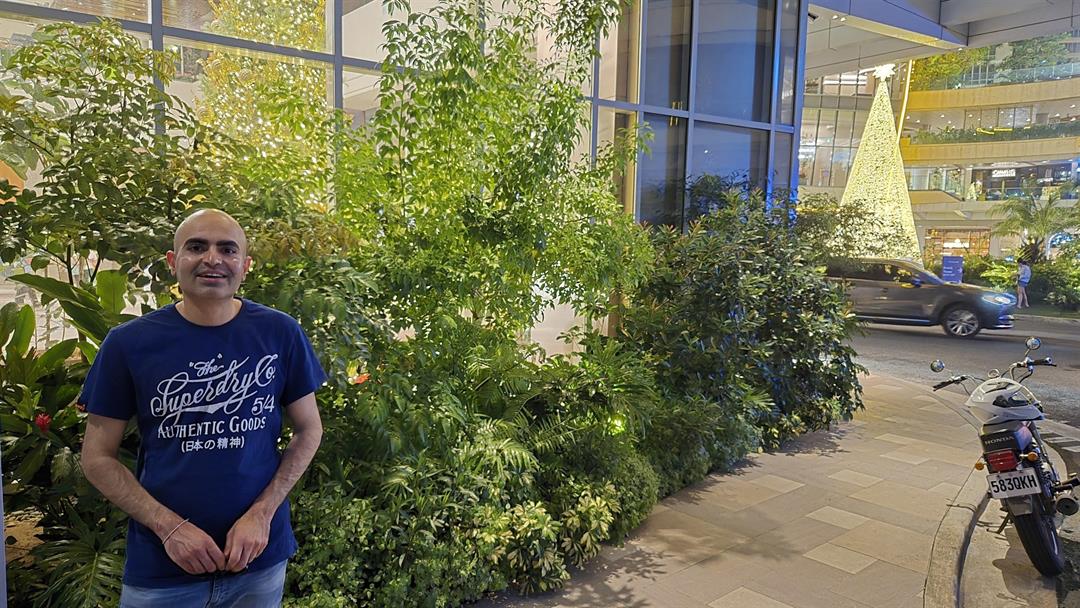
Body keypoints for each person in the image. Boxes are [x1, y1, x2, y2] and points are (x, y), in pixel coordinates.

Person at [80, 209, 326, 607]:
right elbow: (96, 457)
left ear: (245, 265)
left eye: (227, 250)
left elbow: (309, 429)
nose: (213, 259)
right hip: (163, 569)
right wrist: (169, 527)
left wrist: (262, 514)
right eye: (196, 247)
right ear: (173, 261)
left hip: (258, 561)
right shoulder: (128, 344)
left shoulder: (280, 333)